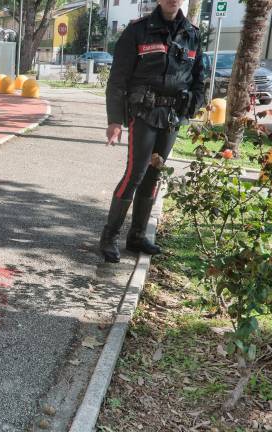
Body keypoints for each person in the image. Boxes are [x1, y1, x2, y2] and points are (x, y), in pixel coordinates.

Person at [100, 0, 205, 263]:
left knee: (154, 176)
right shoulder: (137, 30)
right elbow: (118, 79)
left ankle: (136, 237)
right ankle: (109, 237)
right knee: (135, 174)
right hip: (143, 113)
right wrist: (115, 120)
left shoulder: (192, 34)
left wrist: (192, 105)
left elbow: (199, 79)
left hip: (172, 117)